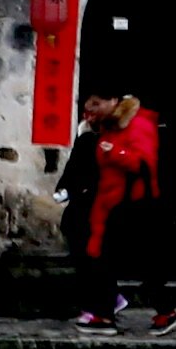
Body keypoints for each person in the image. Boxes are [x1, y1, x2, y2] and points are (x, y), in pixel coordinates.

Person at [58, 91, 168, 329]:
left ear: (114, 101)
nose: (92, 110)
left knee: (138, 260)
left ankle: (165, 311)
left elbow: (144, 164)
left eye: (97, 104)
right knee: (100, 255)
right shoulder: (105, 127)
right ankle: (105, 314)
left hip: (132, 204)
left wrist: (116, 153)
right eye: (89, 106)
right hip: (108, 202)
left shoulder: (137, 124)